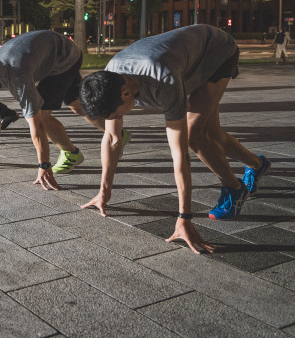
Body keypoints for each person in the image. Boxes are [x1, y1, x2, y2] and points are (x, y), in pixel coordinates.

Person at [79, 24, 271, 254]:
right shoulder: (111, 76)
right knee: (212, 133)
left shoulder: (163, 81)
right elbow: (112, 138)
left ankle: (234, 188)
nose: (119, 119)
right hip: (186, 58)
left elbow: (179, 156)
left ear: (126, 93)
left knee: (196, 136)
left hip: (217, 51)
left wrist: (184, 217)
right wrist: (104, 191)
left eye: (118, 115)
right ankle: (257, 164)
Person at [0, 30, 104, 190]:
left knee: (43, 116)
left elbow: (36, 124)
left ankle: (72, 153)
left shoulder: (17, 74)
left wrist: (44, 164)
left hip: (64, 58)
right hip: (52, 53)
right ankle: (117, 133)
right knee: (77, 105)